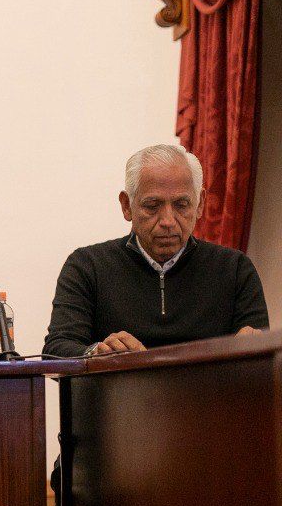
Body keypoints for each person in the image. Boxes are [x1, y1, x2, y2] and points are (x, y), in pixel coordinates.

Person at [43, 144, 268, 358]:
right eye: (152, 206)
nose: (168, 221)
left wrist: (255, 349)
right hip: (121, 387)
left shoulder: (234, 269)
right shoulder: (87, 266)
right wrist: (96, 353)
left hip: (210, 387)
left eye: (181, 205)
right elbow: (56, 350)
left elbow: (264, 359)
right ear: (126, 205)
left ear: (199, 204)